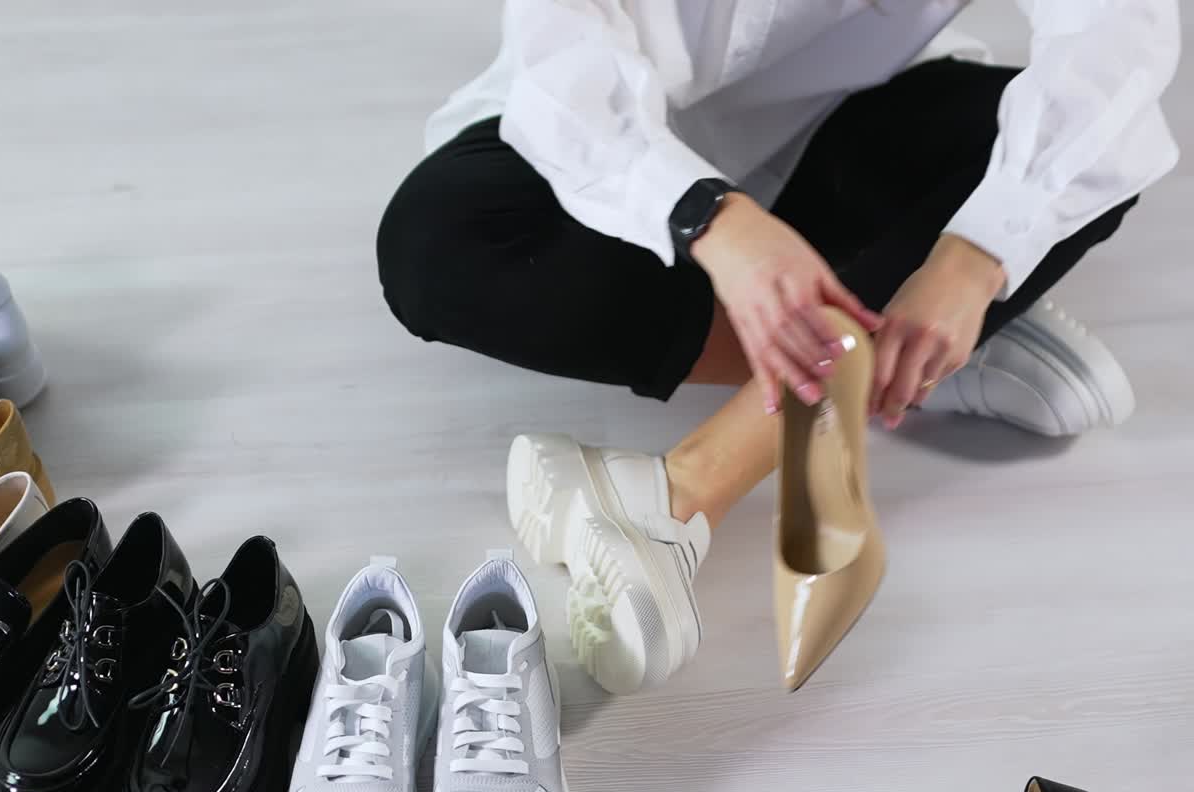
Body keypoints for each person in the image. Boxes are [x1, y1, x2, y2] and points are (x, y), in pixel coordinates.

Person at [377, 1, 1181, 692]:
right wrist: (709, 217)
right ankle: (916, 350)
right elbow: (563, 53)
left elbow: (1117, 39)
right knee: (441, 249)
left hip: (845, 124)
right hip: (616, 149)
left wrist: (973, 261)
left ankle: (676, 493)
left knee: (1098, 139)